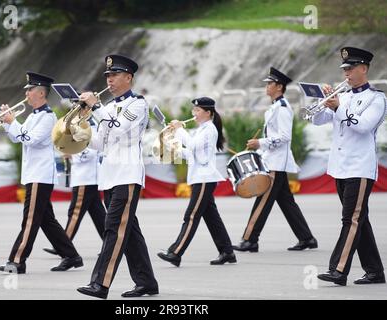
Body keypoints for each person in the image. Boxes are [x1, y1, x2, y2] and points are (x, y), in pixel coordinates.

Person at [76, 54, 158, 299]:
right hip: (109, 176)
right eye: (107, 76)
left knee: (113, 229)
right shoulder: (108, 107)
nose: (109, 80)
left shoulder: (138, 104)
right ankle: (147, 283)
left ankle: (100, 284)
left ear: (129, 78)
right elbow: (101, 143)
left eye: (114, 75)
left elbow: (120, 128)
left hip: (127, 175)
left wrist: (96, 108)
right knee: (129, 232)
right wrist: (80, 129)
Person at [0, 72, 83, 274]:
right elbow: (17, 138)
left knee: (30, 220)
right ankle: (71, 256)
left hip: (40, 175)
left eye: (30, 89)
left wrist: (13, 122)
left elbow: (31, 139)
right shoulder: (33, 116)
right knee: (46, 220)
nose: (26, 93)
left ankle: (17, 260)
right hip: (33, 174)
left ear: (41, 93)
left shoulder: (47, 117)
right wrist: (7, 122)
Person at [314, 47, 386, 286]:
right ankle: (375, 271)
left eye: (351, 68)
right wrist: (321, 101)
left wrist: (337, 107)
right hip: (340, 167)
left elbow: (364, 126)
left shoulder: (377, 98)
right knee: (359, 219)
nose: (346, 73)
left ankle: (338, 269)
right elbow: (316, 120)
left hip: (360, 167)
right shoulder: (342, 96)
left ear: (364, 69)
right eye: (344, 69)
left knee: (350, 220)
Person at [233, 67, 317, 253]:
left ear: (279, 86)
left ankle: (249, 240)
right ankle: (307, 238)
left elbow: (285, 137)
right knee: (287, 203)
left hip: (276, 164)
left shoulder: (283, 108)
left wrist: (260, 142)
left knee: (262, 201)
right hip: (272, 161)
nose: (267, 86)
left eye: (270, 83)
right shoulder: (275, 107)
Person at [157, 97, 237, 267]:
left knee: (191, 216)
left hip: (204, 179)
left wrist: (179, 130)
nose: (194, 113)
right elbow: (192, 154)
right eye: (194, 110)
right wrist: (171, 144)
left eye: (198, 110)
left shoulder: (209, 129)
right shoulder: (201, 129)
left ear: (208, 113)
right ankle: (227, 252)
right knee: (212, 218)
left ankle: (175, 252)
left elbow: (192, 146)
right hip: (199, 177)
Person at [43, 119, 106, 256]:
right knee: (99, 216)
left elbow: (90, 151)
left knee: (75, 213)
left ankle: (63, 244)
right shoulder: (80, 123)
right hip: (84, 178)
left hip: (86, 178)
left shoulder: (91, 125)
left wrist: (72, 153)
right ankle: (109, 245)